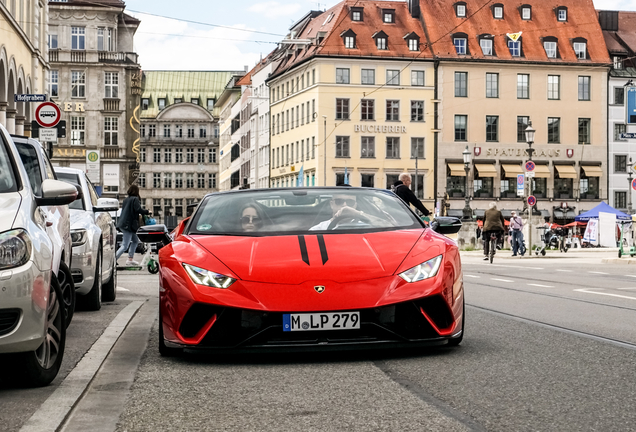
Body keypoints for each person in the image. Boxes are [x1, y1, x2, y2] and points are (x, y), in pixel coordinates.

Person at [309, 192, 385, 231]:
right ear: (332, 204)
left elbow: (388, 226)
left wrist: (358, 214)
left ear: (355, 205)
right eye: (339, 201)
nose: (344, 205)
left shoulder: (366, 225)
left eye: (350, 202)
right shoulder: (321, 228)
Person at [116, 184, 151, 266]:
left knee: (135, 241)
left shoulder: (126, 199)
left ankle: (130, 259)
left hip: (126, 225)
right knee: (125, 245)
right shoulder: (135, 199)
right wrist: (147, 212)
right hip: (128, 225)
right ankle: (114, 260)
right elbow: (138, 209)